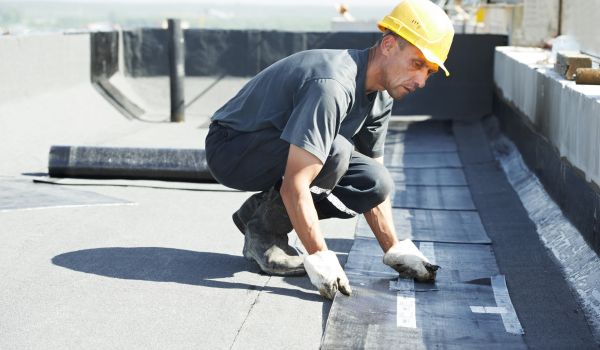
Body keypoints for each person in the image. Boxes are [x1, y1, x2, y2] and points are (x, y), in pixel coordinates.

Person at [205, 0, 454, 300]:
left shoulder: (381, 97)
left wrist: (394, 248)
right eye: (417, 64)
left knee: (375, 181)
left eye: (429, 72)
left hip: (276, 151)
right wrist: (319, 254)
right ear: (388, 45)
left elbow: (372, 177)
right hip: (233, 147)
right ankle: (264, 235)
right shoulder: (333, 85)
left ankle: (259, 214)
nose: (422, 81)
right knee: (334, 151)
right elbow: (297, 181)